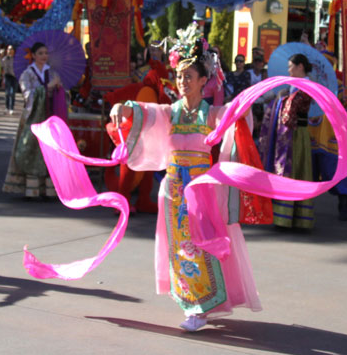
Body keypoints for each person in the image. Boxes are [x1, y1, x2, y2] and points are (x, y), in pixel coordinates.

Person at [108, 26, 261, 331]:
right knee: (179, 246)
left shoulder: (212, 114)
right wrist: (123, 107)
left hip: (202, 192)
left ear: (204, 81)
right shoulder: (171, 112)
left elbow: (234, 116)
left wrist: (244, 107)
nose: (182, 81)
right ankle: (192, 304)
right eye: (179, 76)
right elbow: (146, 113)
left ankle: (201, 307)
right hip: (174, 189)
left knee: (202, 245)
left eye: (188, 76)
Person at [4, 41, 68, 199]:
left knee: (50, 151)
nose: (44, 56)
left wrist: (59, 89)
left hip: (49, 115)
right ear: (33, 55)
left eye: (46, 53)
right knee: (30, 149)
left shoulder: (52, 73)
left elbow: (62, 95)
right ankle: (31, 188)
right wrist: (47, 88)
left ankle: (48, 189)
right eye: (40, 53)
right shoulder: (27, 74)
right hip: (33, 117)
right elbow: (28, 95)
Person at [259, 53, 315, 231]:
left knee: (297, 170)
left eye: (291, 67)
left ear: (300, 67)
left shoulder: (307, 86)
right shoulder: (294, 86)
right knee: (288, 170)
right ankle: (285, 217)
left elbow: (291, 111)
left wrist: (282, 99)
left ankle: (297, 218)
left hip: (298, 134)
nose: (289, 70)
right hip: (290, 134)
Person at [1, 46, 17, 112]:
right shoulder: (4, 59)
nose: (10, 51)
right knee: (7, 93)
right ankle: (7, 107)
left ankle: (11, 108)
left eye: (11, 49)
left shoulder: (16, 59)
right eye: (9, 49)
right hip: (7, 76)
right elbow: (1, 66)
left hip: (14, 77)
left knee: (12, 93)